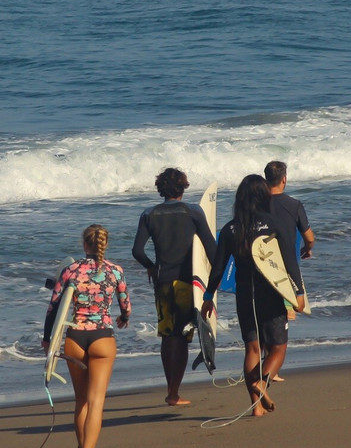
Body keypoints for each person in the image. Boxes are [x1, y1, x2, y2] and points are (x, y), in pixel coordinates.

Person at [201, 175, 305, 416]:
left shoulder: (230, 228)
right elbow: (289, 260)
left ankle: (256, 408)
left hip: (245, 295)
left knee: (252, 349)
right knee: (278, 348)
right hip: (271, 292)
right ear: (264, 196)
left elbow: (218, 268)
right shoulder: (274, 224)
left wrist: (208, 296)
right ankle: (262, 383)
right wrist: (298, 292)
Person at [43, 224, 131, 448]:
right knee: (96, 401)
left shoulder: (71, 270)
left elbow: (54, 307)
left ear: (84, 244)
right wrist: (124, 317)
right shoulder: (115, 271)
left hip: (75, 338)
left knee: (80, 400)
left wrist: (47, 339)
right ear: (105, 244)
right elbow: (125, 304)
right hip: (102, 338)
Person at [131, 167, 216, 406]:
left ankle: (171, 390)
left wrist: (150, 266)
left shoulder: (149, 214)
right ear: (183, 187)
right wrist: (214, 283)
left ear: (161, 189)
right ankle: (173, 394)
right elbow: (211, 249)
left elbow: (137, 251)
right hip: (188, 283)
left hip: (163, 283)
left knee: (168, 335)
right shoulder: (193, 212)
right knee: (182, 336)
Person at [263, 160, 315, 380]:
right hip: (287, 270)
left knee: (265, 313)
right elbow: (309, 237)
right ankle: (270, 369)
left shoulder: (256, 205)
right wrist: (308, 248)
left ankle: (268, 363)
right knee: (294, 307)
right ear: (284, 179)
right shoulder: (294, 205)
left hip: (263, 267)